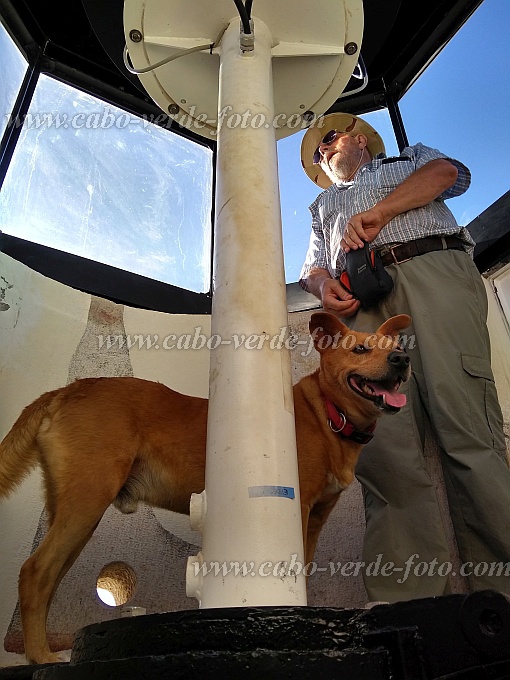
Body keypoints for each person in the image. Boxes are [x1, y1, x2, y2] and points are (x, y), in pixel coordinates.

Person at [299, 112, 510, 602]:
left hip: (432, 270)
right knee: (384, 454)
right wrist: (323, 286)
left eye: (327, 140)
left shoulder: (409, 158)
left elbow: (447, 176)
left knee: (468, 429)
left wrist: (382, 213)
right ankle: (406, 606)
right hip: (366, 311)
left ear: (357, 138)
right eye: (315, 155)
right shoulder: (321, 207)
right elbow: (312, 266)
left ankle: (500, 599)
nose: (322, 154)